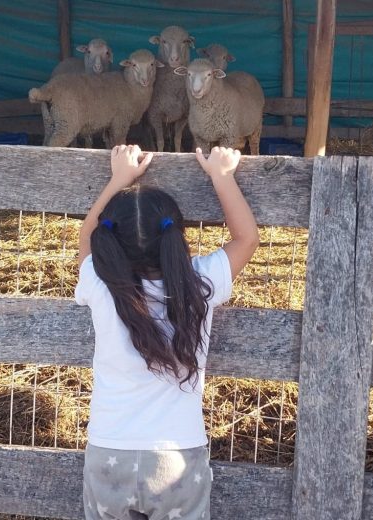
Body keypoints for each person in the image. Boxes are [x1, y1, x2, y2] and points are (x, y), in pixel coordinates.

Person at [75, 144, 260, 520]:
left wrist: (119, 179)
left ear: (110, 241)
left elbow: (85, 238)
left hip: (108, 454)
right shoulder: (199, 283)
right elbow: (247, 238)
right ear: (176, 236)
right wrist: (221, 176)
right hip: (176, 458)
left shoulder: (99, 280)